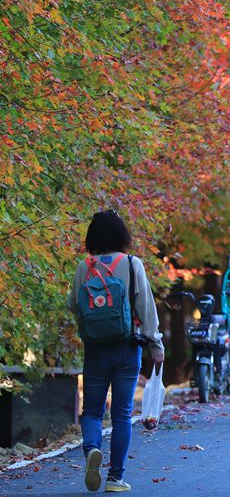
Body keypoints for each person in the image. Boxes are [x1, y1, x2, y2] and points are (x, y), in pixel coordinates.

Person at [69, 210, 164, 493]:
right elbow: (146, 307)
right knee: (122, 414)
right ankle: (115, 478)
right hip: (127, 346)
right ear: (122, 235)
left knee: (92, 411)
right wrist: (156, 343)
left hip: (96, 348)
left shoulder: (83, 267)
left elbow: (74, 305)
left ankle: (91, 451)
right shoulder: (133, 264)